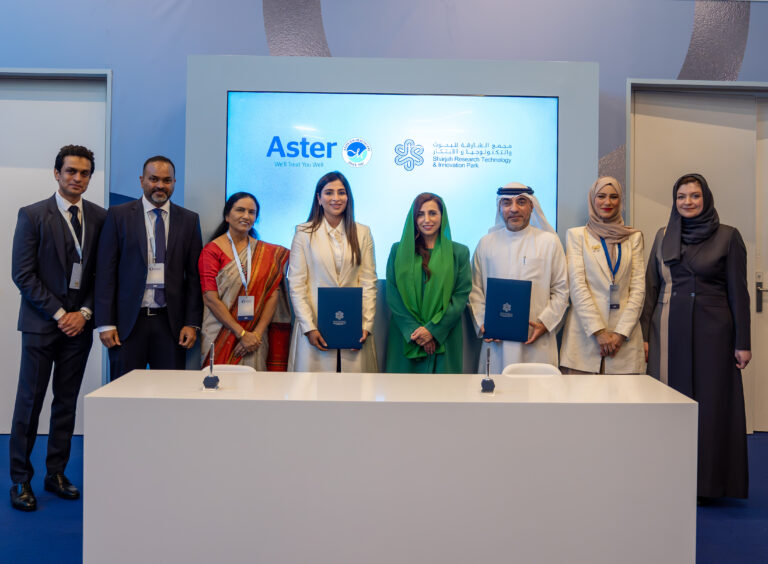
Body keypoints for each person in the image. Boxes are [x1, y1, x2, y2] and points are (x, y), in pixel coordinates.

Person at [9, 145, 107, 511]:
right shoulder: (32, 215)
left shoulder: (100, 217)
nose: (77, 178)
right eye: (70, 171)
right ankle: (20, 479)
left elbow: (103, 274)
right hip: (41, 326)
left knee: (66, 402)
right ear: (57, 173)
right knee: (29, 403)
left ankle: (56, 473)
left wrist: (83, 312)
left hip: (79, 328)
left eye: (84, 173)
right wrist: (60, 313)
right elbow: (23, 274)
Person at [641, 173, 750, 500]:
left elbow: (739, 293)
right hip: (668, 331)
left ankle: (709, 485)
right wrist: (644, 336)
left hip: (713, 334)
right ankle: (668, 480)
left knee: (711, 406)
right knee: (670, 405)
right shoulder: (663, 236)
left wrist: (743, 343)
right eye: (681, 196)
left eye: (694, 196)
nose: (687, 202)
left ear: (706, 199)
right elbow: (651, 288)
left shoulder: (728, 237)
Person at [95, 156, 203, 380]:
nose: (160, 185)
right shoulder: (118, 215)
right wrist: (105, 323)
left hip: (171, 325)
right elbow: (106, 273)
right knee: (123, 392)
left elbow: (194, 278)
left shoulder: (189, 220)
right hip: (127, 325)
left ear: (174, 182)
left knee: (170, 392)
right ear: (142, 180)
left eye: (167, 180)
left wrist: (191, 323)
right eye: (154, 179)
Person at [468, 183, 568, 373]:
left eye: (521, 202)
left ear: (531, 206)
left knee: (538, 389)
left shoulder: (549, 242)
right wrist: (483, 324)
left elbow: (561, 290)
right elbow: (475, 289)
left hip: (536, 340)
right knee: (497, 389)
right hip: (497, 342)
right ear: (499, 207)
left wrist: (544, 323)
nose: (514, 209)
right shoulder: (486, 244)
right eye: (506, 203)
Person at [287, 171, 377, 372]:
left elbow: (369, 282)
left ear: (348, 197)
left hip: (354, 327)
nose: (336, 198)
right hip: (315, 326)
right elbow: (297, 284)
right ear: (319, 199)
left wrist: (366, 325)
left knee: (354, 388)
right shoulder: (303, 233)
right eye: (329, 193)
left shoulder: (363, 232)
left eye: (341, 192)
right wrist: (308, 327)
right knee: (312, 389)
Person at [560, 177, 645, 374]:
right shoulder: (576, 235)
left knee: (625, 394)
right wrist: (598, 332)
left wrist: (621, 334)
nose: (607, 202)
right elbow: (577, 286)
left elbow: (638, 289)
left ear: (620, 200)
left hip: (624, 342)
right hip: (585, 339)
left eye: (614, 197)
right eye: (601, 196)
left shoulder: (634, 237)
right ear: (592, 199)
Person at [198, 192, 290, 369]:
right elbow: (210, 298)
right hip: (220, 333)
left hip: (256, 337)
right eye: (240, 210)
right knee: (219, 381)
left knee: (254, 383)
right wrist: (241, 333)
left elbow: (272, 295)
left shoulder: (266, 253)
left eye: (251, 212)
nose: (246, 216)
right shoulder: (212, 251)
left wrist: (256, 334)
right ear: (227, 215)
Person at [385, 193, 471, 373]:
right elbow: (393, 294)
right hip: (406, 336)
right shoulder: (397, 251)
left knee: (443, 389)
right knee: (402, 389)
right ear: (413, 218)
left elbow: (460, 296)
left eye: (433, 213)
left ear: (442, 216)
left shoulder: (459, 252)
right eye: (420, 214)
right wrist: (416, 331)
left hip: (444, 337)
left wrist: (433, 331)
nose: (427, 220)